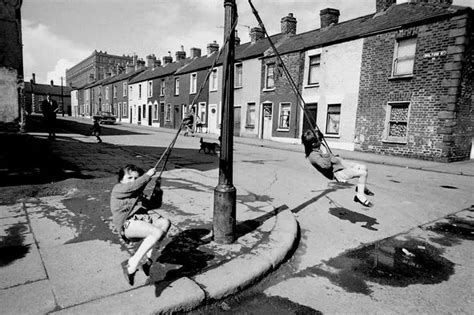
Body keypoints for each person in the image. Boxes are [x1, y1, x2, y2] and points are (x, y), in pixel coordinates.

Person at [110, 164, 171, 285]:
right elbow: (132, 187)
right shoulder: (118, 189)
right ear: (121, 180)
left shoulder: (137, 194)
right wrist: (147, 175)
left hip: (141, 222)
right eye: (129, 178)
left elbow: (153, 204)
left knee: (165, 223)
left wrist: (157, 189)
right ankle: (131, 264)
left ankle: (147, 263)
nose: (133, 181)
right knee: (156, 232)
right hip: (127, 225)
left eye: (136, 178)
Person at [301, 129, 374, 207]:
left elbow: (330, 156)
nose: (322, 141)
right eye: (320, 139)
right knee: (363, 173)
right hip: (337, 172)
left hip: (339, 163)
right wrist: (325, 152)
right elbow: (326, 166)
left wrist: (335, 157)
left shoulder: (318, 146)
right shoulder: (313, 156)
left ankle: (361, 188)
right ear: (313, 144)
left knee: (364, 167)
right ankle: (359, 196)